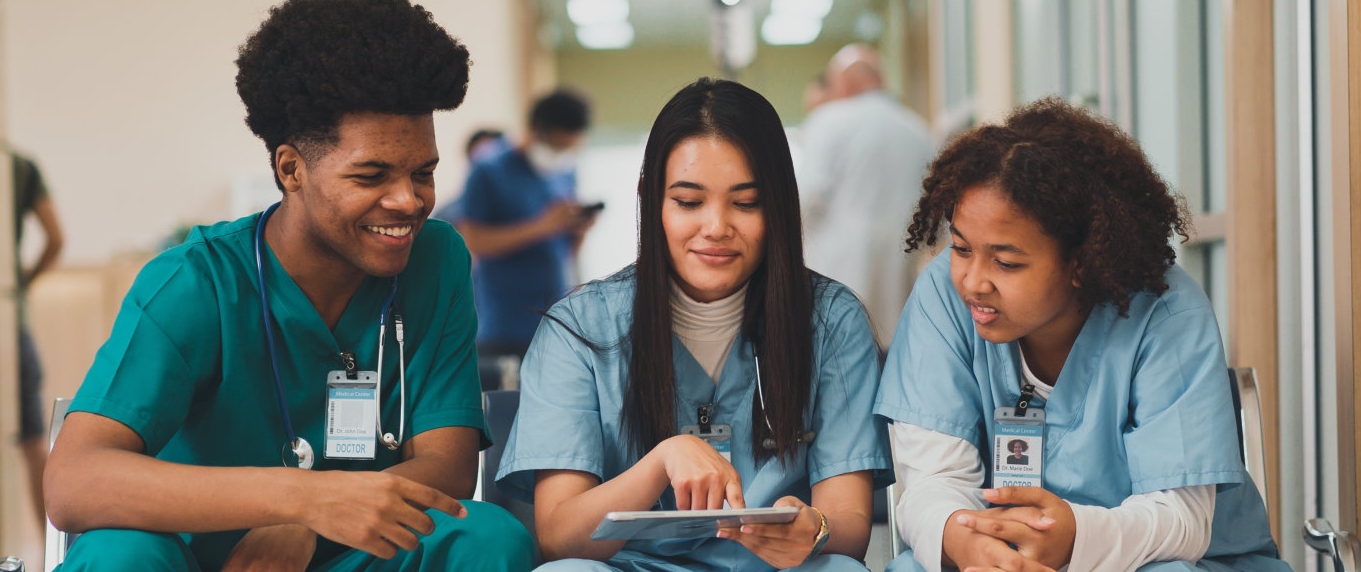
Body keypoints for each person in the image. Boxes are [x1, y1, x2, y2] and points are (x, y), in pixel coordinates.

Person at [45, 0, 534, 571]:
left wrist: (314, 524)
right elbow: (73, 482)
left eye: (423, 172)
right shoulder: (193, 284)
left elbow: (449, 466)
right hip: (202, 559)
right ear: (291, 169)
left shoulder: (435, 259)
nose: (408, 200)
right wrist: (304, 500)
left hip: (347, 549)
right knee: (118, 554)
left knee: (487, 538)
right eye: (372, 174)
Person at [874, 98, 1289, 572]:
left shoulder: (1166, 314)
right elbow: (934, 480)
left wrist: (1074, 541)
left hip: (1157, 557)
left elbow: (1182, 520)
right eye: (962, 248)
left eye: (1007, 262)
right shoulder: (943, 299)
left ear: (1081, 262)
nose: (973, 281)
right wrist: (966, 542)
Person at [495, 78, 889, 572]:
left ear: (780, 205)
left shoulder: (831, 321)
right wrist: (661, 461)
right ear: (651, 200)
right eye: (688, 201)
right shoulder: (579, 327)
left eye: (746, 202)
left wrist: (816, 530)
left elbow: (849, 525)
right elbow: (559, 538)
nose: (717, 226)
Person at [436, 90, 598, 389]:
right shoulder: (489, 170)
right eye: (557, 145)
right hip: (504, 326)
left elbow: (562, 249)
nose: (561, 153)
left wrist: (577, 233)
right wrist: (541, 226)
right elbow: (471, 239)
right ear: (538, 131)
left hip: (555, 321)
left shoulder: (563, 171)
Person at [797, 44, 935, 345]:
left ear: (842, 83)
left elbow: (806, 199)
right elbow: (936, 221)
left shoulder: (830, 120)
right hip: (899, 295)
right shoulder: (920, 132)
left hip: (834, 288)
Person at [12, 151, 64, 525]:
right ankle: (49, 547)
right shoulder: (18, 166)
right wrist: (20, 284)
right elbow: (56, 239)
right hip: (10, 323)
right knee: (32, 443)